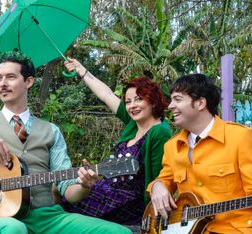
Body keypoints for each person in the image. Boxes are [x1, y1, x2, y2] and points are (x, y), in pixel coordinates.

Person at [0, 52, 132, 234]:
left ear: (28, 81)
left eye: (10, 77)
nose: (2, 83)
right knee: (13, 228)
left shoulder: (51, 131)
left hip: (47, 217)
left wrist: (84, 186)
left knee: (119, 232)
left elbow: (67, 190)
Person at [63, 58, 172, 230]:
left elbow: (161, 176)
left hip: (128, 202)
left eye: (138, 99)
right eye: (128, 102)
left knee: (68, 207)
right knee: (63, 192)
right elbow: (106, 95)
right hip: (107, 190)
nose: (132, 106)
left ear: (153, 100)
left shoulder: (159, 132)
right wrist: (81, 70)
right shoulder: (133, 123)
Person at [147, 74, 252, 233]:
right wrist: (157, 186)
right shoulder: (172, 146)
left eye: (178, 99)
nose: (170, 106)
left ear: (200, 103)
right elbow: (165, 179)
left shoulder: (240, 138)